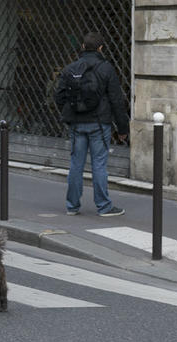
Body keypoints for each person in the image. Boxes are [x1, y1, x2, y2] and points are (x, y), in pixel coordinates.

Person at [55, 31, 130, 217]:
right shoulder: (106, 68)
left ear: (82, 47)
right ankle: (104, 206)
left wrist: (70, 112)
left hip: (76, 124)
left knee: (76, 164)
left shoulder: (70, 68)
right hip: (99, 123)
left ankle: (72, 206)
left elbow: (58, 96)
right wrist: (122, 129)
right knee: (99, 165)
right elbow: (116, 100)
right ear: (101, 48)